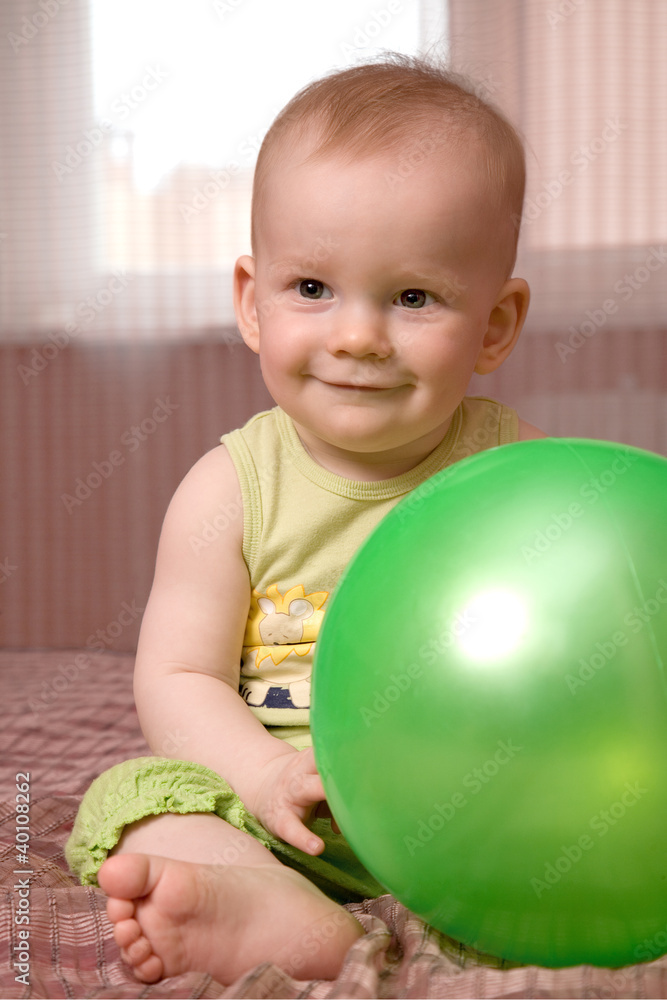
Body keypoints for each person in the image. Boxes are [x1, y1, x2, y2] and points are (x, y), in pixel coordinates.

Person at [66, 53, 547, 985]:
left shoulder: (512, 471)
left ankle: (453, 910)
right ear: (252, 301)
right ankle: (275, 912)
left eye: (412, 297)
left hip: (461, 804)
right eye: (313, 289)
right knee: (129, 799)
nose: (357, 335)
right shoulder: (229, 489)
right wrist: (262, 778)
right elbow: (176, 677)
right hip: (285, 812)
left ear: (493, 323)